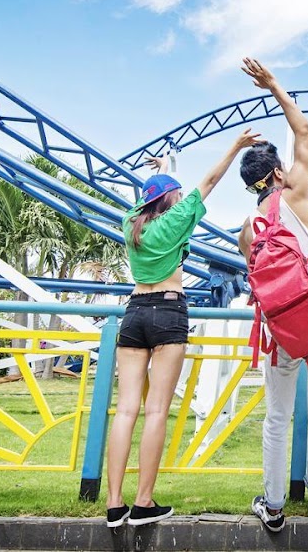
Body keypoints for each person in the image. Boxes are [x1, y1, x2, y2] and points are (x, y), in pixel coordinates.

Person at [105, 129, 264, 527]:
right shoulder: (177, 219)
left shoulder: (130, 224)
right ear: (171, 201)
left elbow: (149, 202)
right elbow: (208, 182)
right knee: (156, 410)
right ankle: (143, 502)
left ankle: (113, 504)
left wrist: (162, 173)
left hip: (134, 312)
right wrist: (236, 146)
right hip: (168, 312)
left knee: (125, 410)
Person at [236, 57, 308, 533]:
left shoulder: (248, 229)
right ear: (278, 171)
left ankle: (274, 504)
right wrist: (273, 84)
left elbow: (255, 283)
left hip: (281, 323)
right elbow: (306, 131)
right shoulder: (297, 190)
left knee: (277, 414)